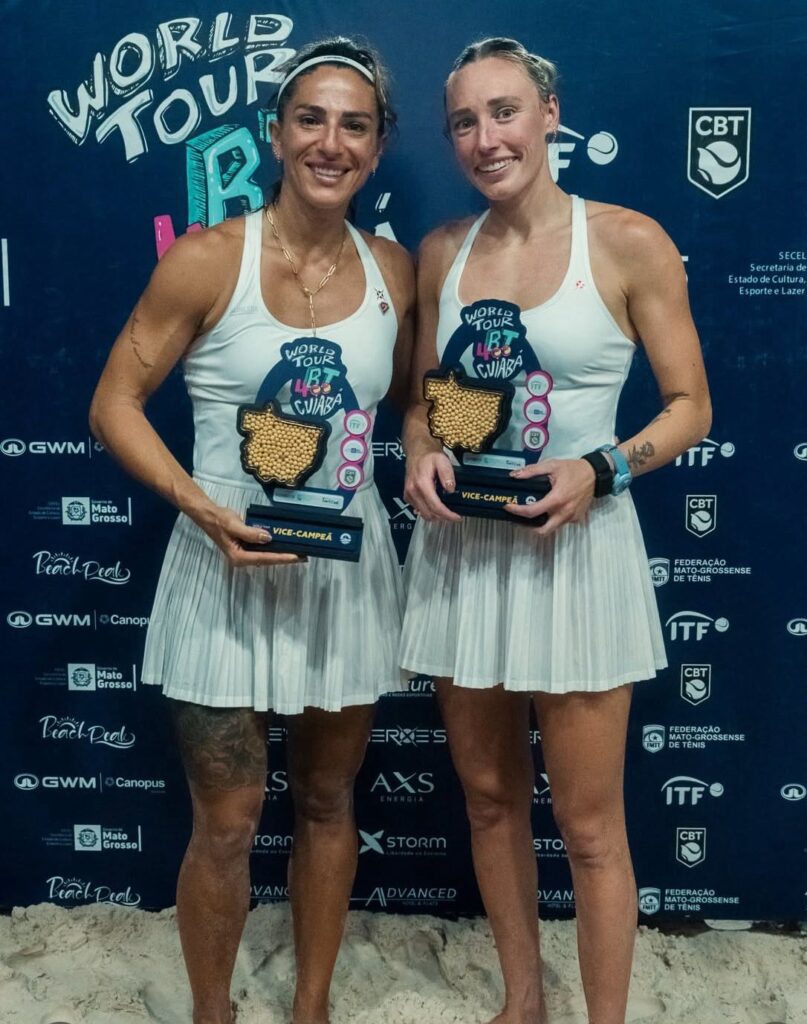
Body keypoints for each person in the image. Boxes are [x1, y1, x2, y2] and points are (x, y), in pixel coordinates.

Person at [89, 37, 414, 1024]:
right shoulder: (204, 260)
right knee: (226, 822)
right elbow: (113, 404)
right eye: (310, 119)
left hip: (343, 572)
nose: (330, 142)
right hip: (218, 564)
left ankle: (310, 1006)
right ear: (275, 134)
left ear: (377, 146)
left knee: (327, 800)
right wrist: (201, 507)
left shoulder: (395, 272)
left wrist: (442, 451)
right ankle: (213, 1011)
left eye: (353, 125)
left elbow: (413, 403)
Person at [400, 37, 710, 1024]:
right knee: (489, 799)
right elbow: (423, 403)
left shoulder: (626, 240)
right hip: (463, 555)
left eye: (503, 112)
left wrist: (600, 468)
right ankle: (522, 1002)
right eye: (463, 122)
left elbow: (690, 406)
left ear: (548, 113)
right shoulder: (441, 253)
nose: (485, 138)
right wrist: (419, 449)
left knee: (588, 826)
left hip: (578, 551)